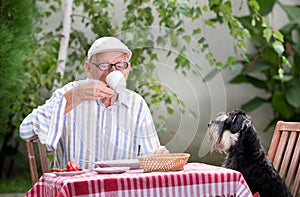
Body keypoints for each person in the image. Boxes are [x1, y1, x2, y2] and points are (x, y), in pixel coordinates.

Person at [20, 36, 168, 169]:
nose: (112, 72)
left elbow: (151, 155)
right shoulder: (71, 93)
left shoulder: (136, 104)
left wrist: (160, 156)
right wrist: (74, 97)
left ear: (127, 69)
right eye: (104, 65)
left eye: (120, 65)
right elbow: (26, 131)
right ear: (89, 69)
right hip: (76, 190)